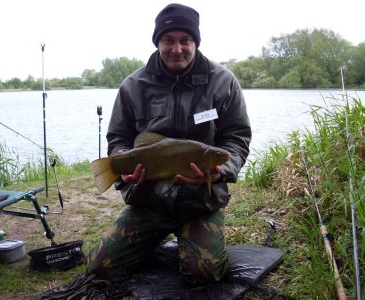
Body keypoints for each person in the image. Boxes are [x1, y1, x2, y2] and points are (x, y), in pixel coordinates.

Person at [86, 3, 251, 285]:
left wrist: (221, 171)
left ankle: (192, 241)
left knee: (204, 273)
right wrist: (120, 158)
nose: (177, 48)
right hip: (148, 200)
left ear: (195, 42)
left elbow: (236, 137)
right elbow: (118, 138)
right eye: (168, 40)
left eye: (185, 40)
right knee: (101, 268)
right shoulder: (133, 85)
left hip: (199, 203)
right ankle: (148, 243)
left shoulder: (223, 81)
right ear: (158, 42)